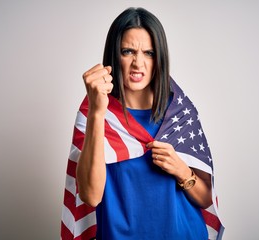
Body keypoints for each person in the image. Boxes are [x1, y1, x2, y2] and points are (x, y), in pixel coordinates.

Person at [61, 7, 224, 240]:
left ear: (160, 58)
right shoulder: (94, 110)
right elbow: (90, 195)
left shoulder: (180, 111)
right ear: (113, 56)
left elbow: (206, 198)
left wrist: (181, 169)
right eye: (127, 51)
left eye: (149, 53)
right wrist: (98, 111)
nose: (138, 63)